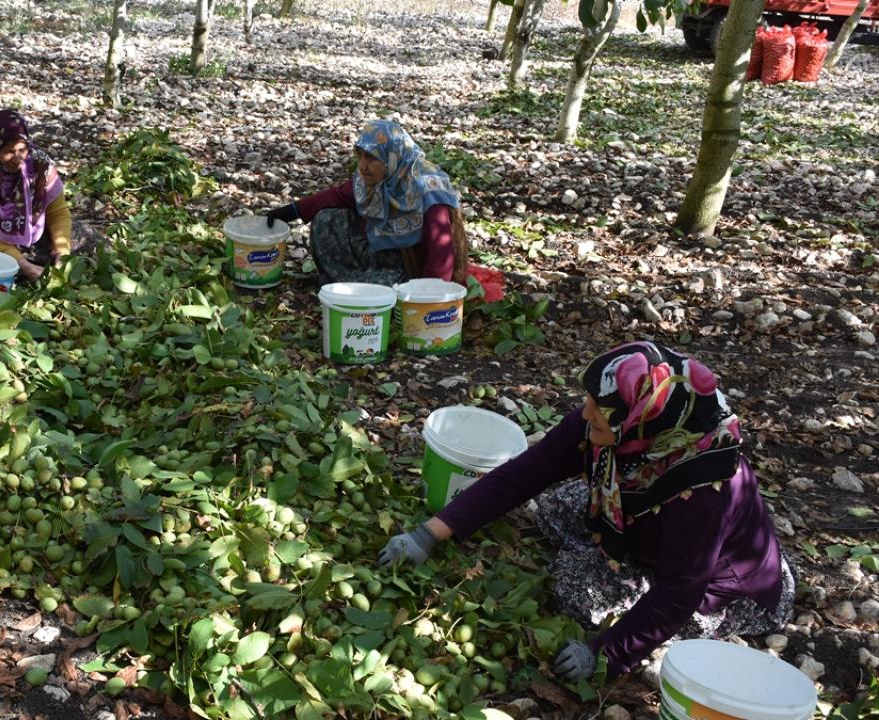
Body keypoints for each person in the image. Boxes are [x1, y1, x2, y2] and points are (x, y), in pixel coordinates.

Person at [378, 341, 794, 682]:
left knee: (573, 586)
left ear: (642, 422)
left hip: (724, 588)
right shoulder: (622, 421)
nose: (586, 413)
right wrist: (431, 533)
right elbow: (530, 471)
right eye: (591, 402)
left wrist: (605, 654)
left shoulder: (703, 491)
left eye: (598, 409)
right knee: (557, 507)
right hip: (648, 528)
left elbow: (679, 593)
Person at [265, 119, 469, 287]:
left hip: (411, 266)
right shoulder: (375, 179)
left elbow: (440, 253)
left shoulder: (427, 190)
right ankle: (346, 279)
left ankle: (353, 284)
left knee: (385, 292)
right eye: (360, 156)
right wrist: (288, 212)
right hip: (378, 249)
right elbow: (337, 196)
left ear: (391, 157)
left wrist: (427, 298)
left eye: (371, 158)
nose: (362, 166)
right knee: (326, 219)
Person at [0, 109, 98, 280]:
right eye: (9, 152)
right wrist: (25, 266)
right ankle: (25, 268)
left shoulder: (40, 165)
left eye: (22, 149)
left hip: (29, 233)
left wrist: (63, 254)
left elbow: (58, 213)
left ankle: (33, 265)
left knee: (88, 237)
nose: (18, 158)